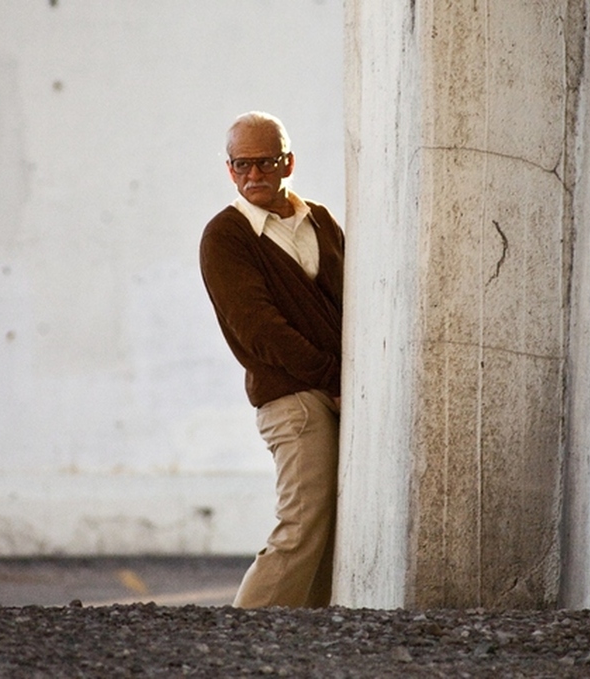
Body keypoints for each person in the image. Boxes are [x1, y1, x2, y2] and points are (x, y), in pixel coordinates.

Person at [199, 111, 344, 608]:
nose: (254, 174)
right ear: (230, 170)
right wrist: (333, 378)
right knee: (300, 526)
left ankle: (307, 639)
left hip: (336, 391)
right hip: (292, 399)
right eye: (242, 164)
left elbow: (350, 306)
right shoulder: (226, 235)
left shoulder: (320, 221)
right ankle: (242, 637)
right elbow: (259, 330)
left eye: (265, 162)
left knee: (329, 535)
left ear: (289, 163)